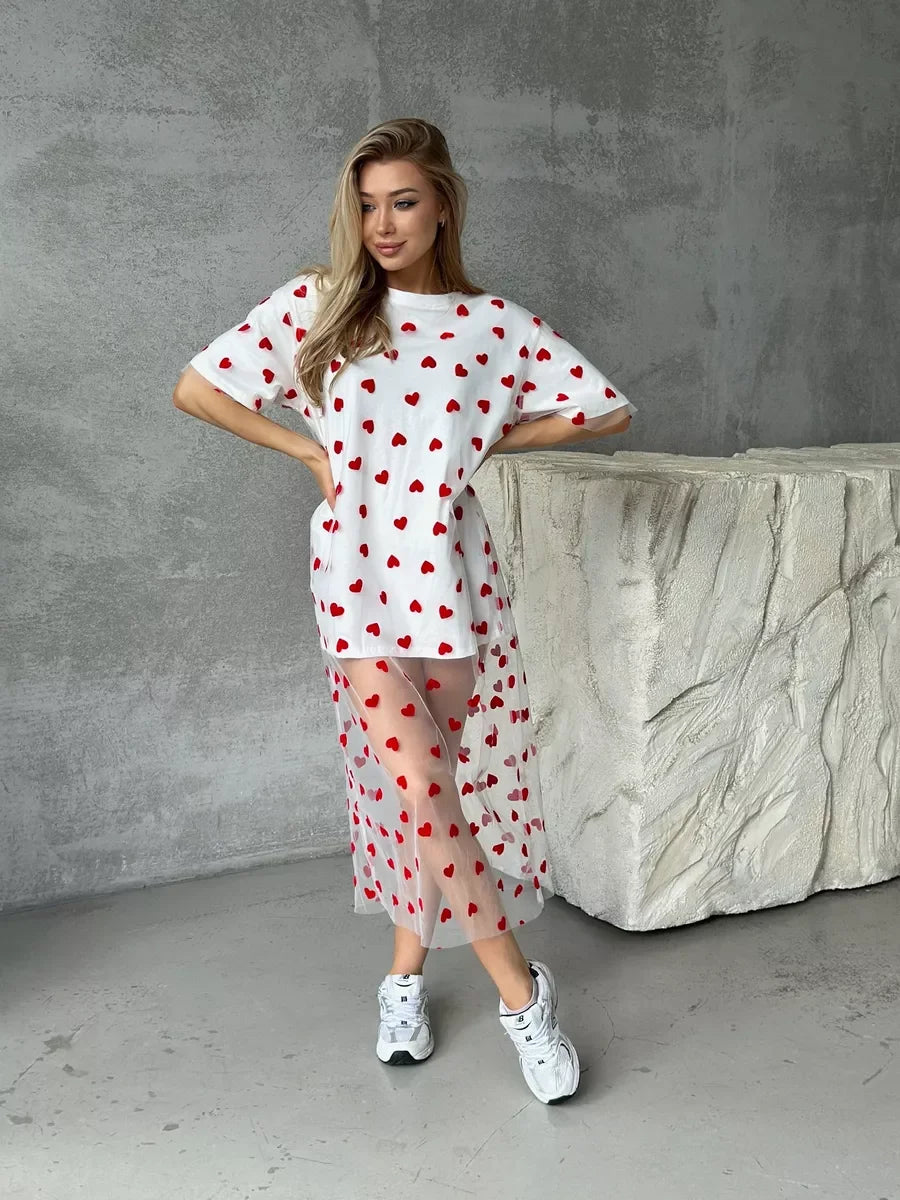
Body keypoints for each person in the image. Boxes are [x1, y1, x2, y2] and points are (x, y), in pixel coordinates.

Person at [173, 117, 637, 1104]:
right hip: (354, 581)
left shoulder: (492, 326)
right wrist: (308, 451)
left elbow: (604, 408)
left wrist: (481, 444)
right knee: (423, 789)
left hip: (450, 585)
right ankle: (524, 998)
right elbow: (197, 390)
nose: (382, 224)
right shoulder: (320, 305)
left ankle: (402, 978)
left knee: (431, 802)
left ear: (443, 208)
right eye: (367, 205)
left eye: (403, 202)